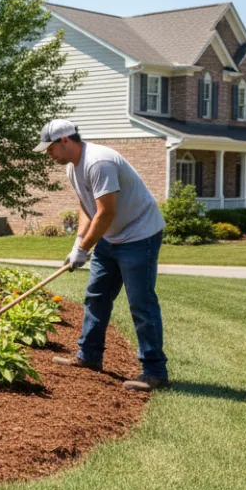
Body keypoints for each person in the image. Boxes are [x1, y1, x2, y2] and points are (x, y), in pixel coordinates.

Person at [34, 119, 169, 391]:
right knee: (96, 295)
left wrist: (85, 250)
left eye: (50, 149)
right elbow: (88, 208)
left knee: (141, 303)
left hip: (139, 235)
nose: (48, 155)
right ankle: (89, 356)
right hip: (111, 236)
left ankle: (155, 371)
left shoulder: (99, 162)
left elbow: (106, 212)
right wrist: (78, 243)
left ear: (64, 141)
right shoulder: (73, 168)